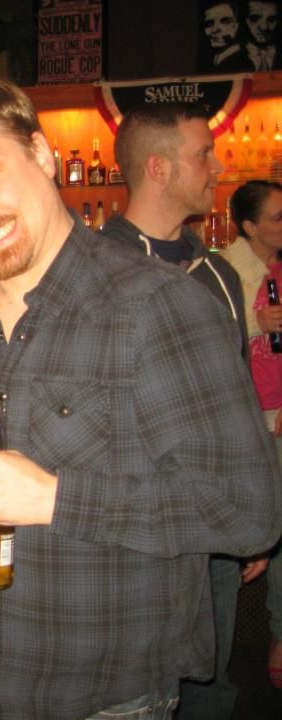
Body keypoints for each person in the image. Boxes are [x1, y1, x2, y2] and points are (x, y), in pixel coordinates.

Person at [0, 80, 282, 720]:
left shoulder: (159, 304)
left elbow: (248, 511)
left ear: (41, 155)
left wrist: (56, 499)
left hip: (104, 695)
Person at [101, 101, 255, 719]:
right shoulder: (93, 271)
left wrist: (251, 505)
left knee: (211, 683)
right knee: (142, 691)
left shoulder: (218, 274)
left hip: (213, 521)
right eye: (204, 154)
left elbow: (238, 406)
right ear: (159, 168)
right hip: (133, 532)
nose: (218, 168)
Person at [223, 180, 282, 689]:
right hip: (243, 420)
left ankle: (280, 634)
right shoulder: (224, 271)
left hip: (280, 414)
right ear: (249, 226)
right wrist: (256, 322)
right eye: (277, 217)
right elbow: (211, 347)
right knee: (251, 528)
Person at [200, 2, 250, 72]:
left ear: (239, 23)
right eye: (209, 23)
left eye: (226, 21)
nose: (214, 30)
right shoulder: (212, 59)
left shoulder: (244, 61)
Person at [243, 0, 280, 70]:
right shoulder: (229, 57)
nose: (264, 27)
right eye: (254, 18)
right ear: (243, 20)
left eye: (271, 20)